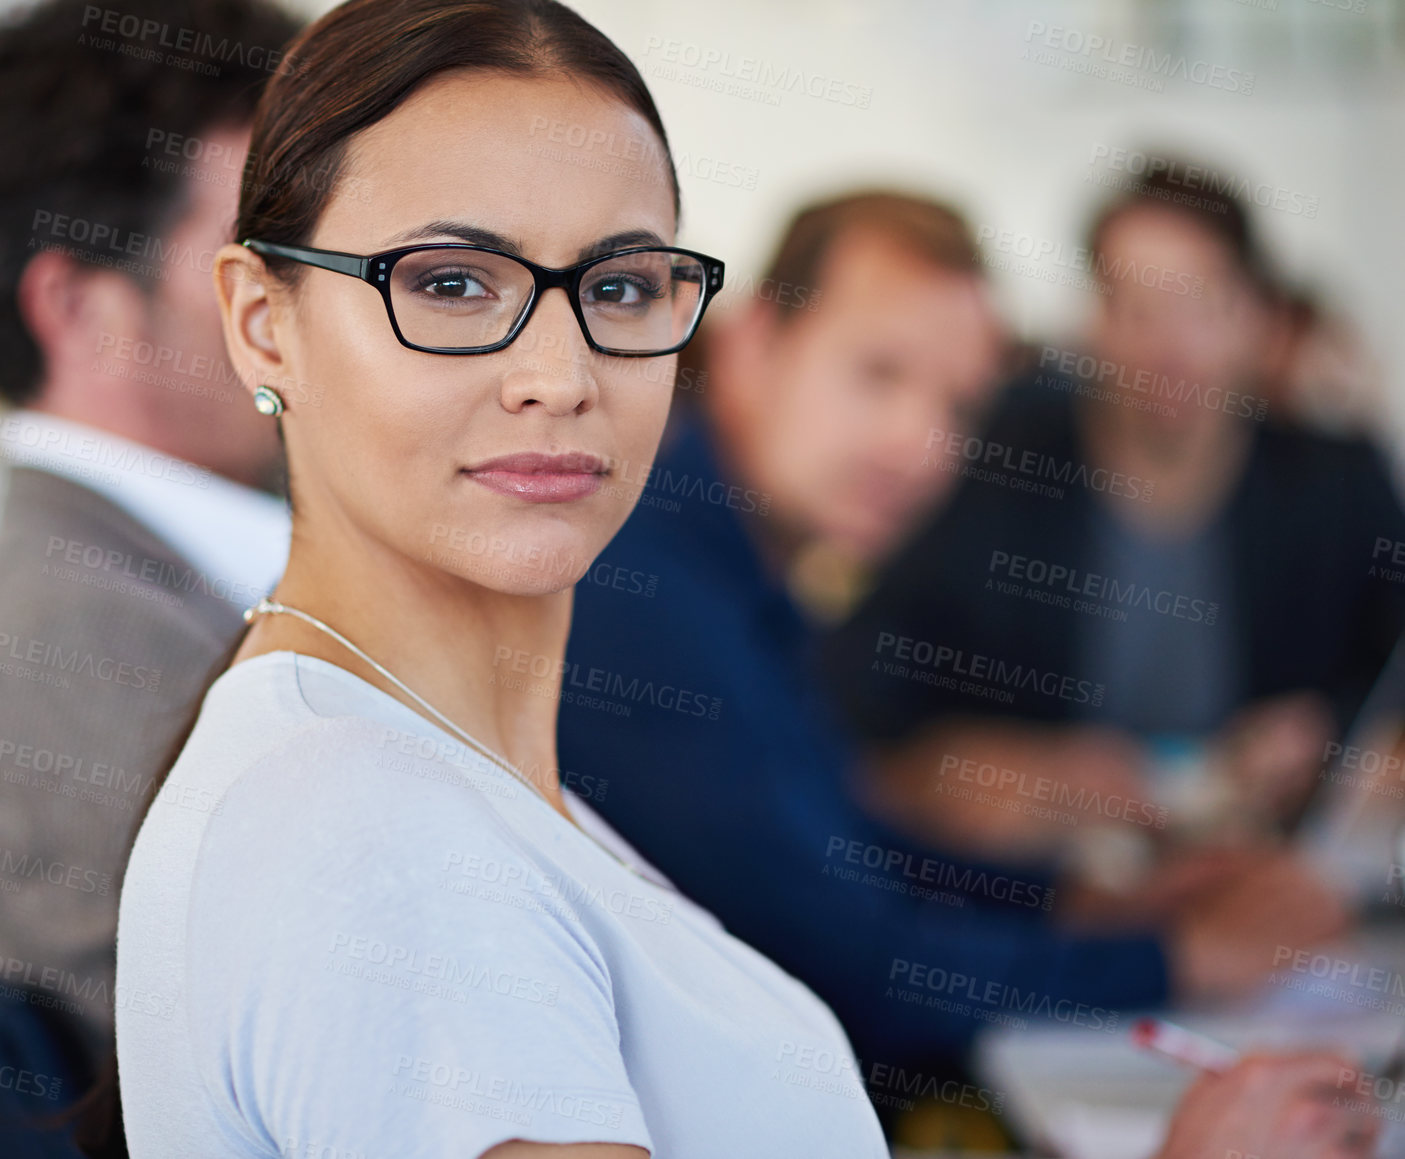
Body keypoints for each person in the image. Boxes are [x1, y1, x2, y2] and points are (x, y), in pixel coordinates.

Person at [113, 0, 899, 1154]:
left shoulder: (437, 772)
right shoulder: (371, 830)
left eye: (621, 289)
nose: (559, 374)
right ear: (261, 324)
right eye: (450, 283)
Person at [555, 191, 1349, 1075]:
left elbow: (844, 844)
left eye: (959, 406)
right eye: (879, 374)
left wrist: (1075, 902)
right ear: (750, 346)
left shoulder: (731, 566)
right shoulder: (646, 591)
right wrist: (1177, 957)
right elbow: (860, 970)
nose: (922, 446)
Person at [0, 2, 299, 1155]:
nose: (316, 302)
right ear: (78, 307)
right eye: (254, 257)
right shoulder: (74, 649)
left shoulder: (166, 591)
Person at [824, 165, 1405, 870]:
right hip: (1052, 892)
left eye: (1202, 304)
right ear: (1093, 323)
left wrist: (1334, 738)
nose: (1170, 348)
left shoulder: (1334, 480)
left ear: (1258, 319)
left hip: (1276, 877)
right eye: (1135, 306)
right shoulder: (997, 465)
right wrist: (987, 763)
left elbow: (1385, 672)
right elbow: (857, 687)